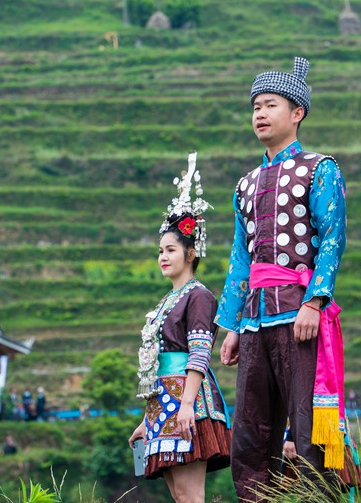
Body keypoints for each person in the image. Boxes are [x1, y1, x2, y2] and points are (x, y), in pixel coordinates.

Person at [216, 57, 348, 501]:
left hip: (299, 316)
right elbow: (240, 258)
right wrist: (230, 327)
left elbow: (332, 237)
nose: (259, 113)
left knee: (308, 427)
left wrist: (315, 301)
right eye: (255, 105)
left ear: (297, 113)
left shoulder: (319, 168)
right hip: (254, 321)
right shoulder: (245, 184)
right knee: (251, 431)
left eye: (270, 104)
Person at [128, 152, 231, 503]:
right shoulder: (165, 302)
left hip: (187, 403)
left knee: (190, 496)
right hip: (163, 404)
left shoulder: (199, 296)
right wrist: (148, 417)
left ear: (191, 253)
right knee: (179, 495)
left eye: (170, 249)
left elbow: (199, 353)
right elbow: (156, 363)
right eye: (160, 250)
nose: (162, 257)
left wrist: (186, 404)